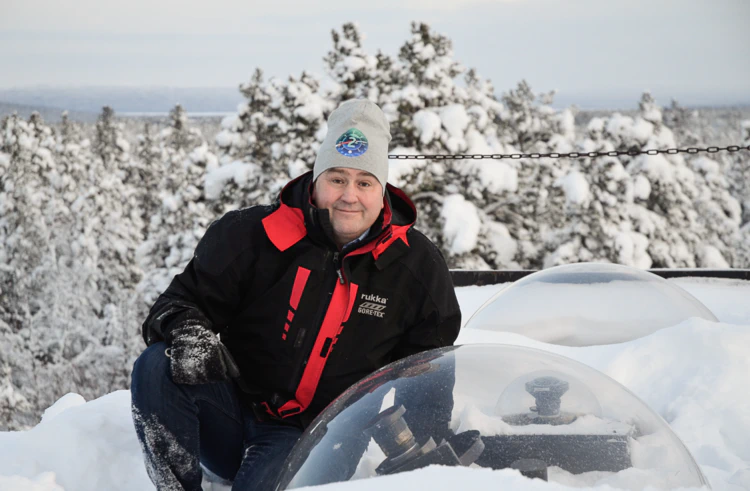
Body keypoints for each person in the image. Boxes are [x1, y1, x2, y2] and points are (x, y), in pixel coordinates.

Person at [130, 99, 461, 491]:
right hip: (233, 414)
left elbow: (428, 370)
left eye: (364, 182)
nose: (349, 196)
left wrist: (429, 450)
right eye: (337, 178)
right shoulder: (253, 233)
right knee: (156, 365)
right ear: (317, 179)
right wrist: (188, 331)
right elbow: (175, 305)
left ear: (382, 188)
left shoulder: (415, 265)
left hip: (319, 439)